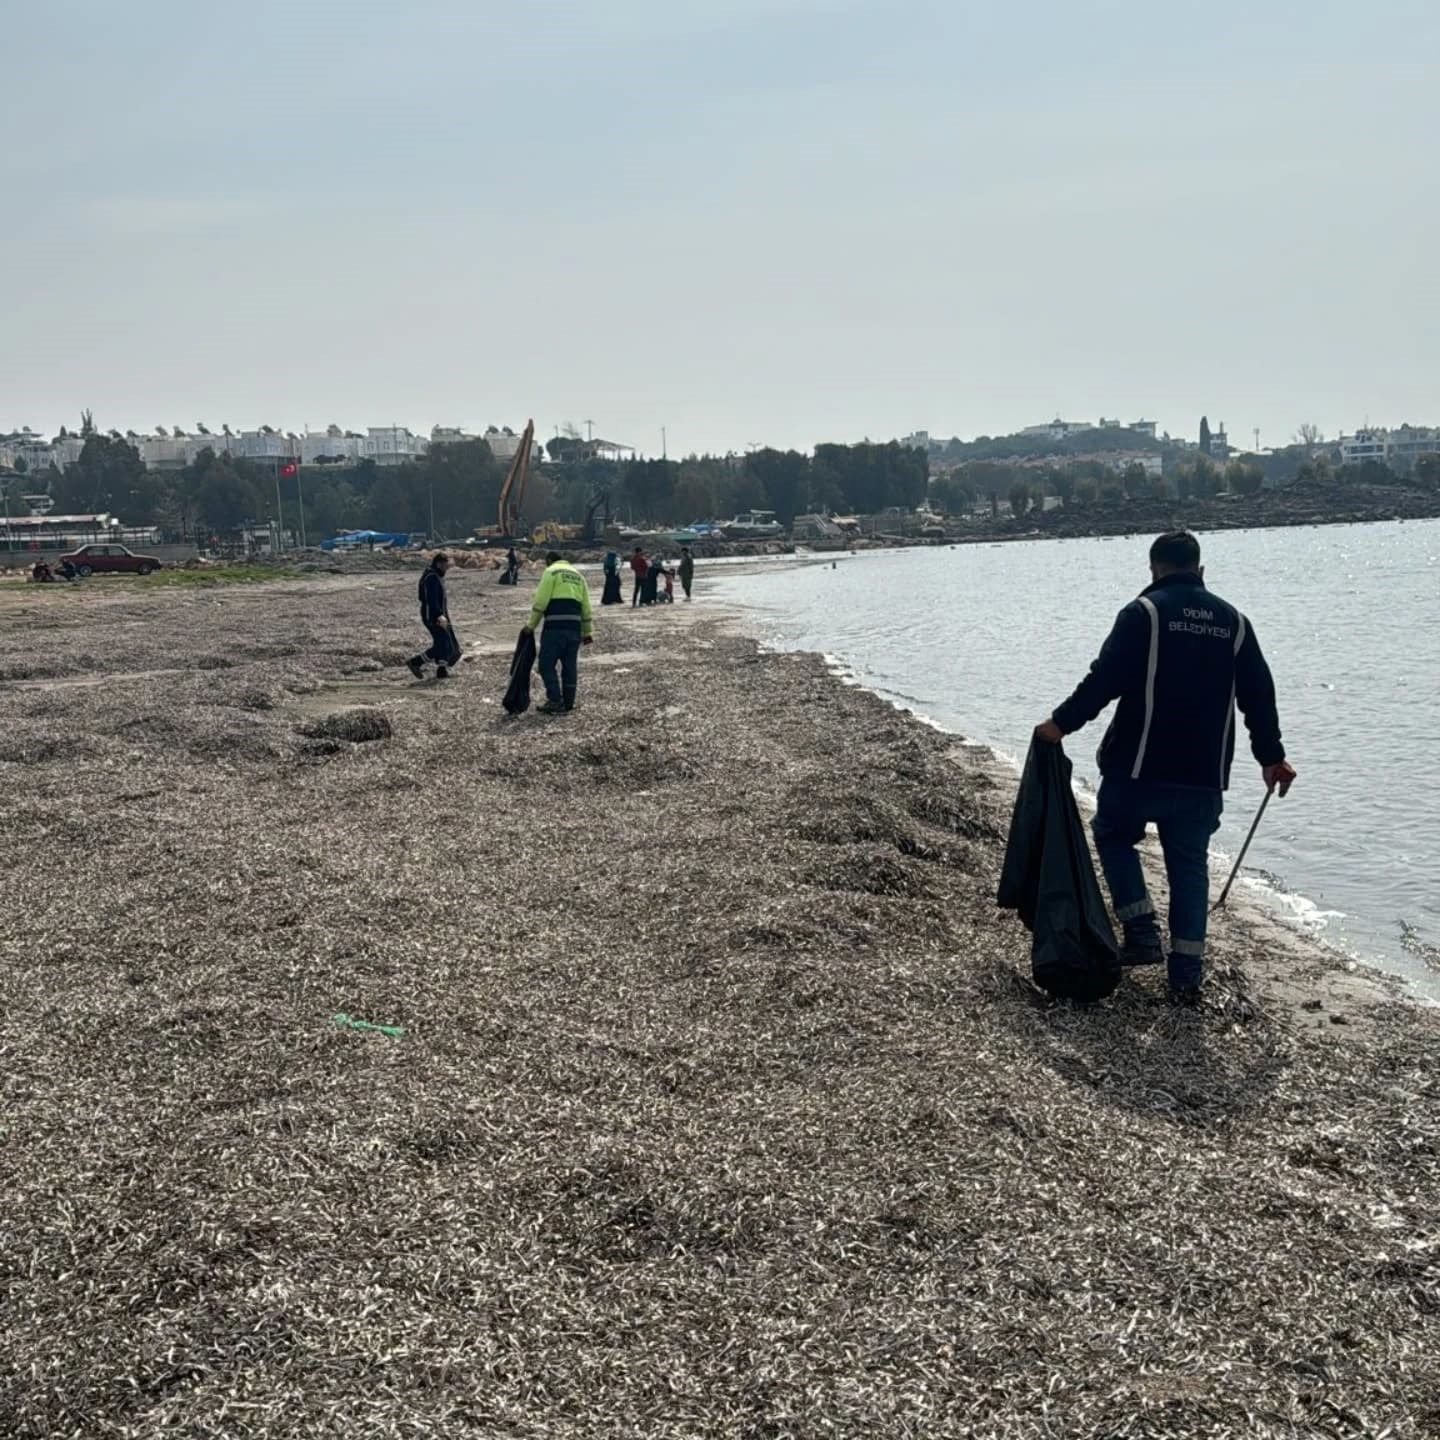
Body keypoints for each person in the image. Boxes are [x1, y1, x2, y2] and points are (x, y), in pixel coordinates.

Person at [1034, 530, 1296, 1005]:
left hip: (1137, 767)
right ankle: (1186, 975)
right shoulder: (1234, 623)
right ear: (1201, 570)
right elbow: (1258, 695)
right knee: (1189, 867)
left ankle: (1140, 931)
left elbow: (1104, 681)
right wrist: (1271, 757)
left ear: (1153, 569)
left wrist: (1059, 724)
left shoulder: (1143, 614)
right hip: (1202, 776)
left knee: (1113, 835)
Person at [525, 550, 594, 714]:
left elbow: (541, 601)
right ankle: (569, 702)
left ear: (549, 560)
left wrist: (530, 625)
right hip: (574, 628)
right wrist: (588, 632)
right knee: (569, 666)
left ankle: (555, 699)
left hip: (555, 628)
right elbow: (586, 607)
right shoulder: (578, 576)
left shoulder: (551, 572)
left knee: (546, 664)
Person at [407, 551, 458, 681]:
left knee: (445, 643)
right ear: (439, 564)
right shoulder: (431, 577)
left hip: (440, 614)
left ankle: (442, 670)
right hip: (432, 615)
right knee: (443, 643)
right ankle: (415, 662)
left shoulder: (436, 575)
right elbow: (431, 599)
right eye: (446, 566)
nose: (447, 569)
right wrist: (439, 615)